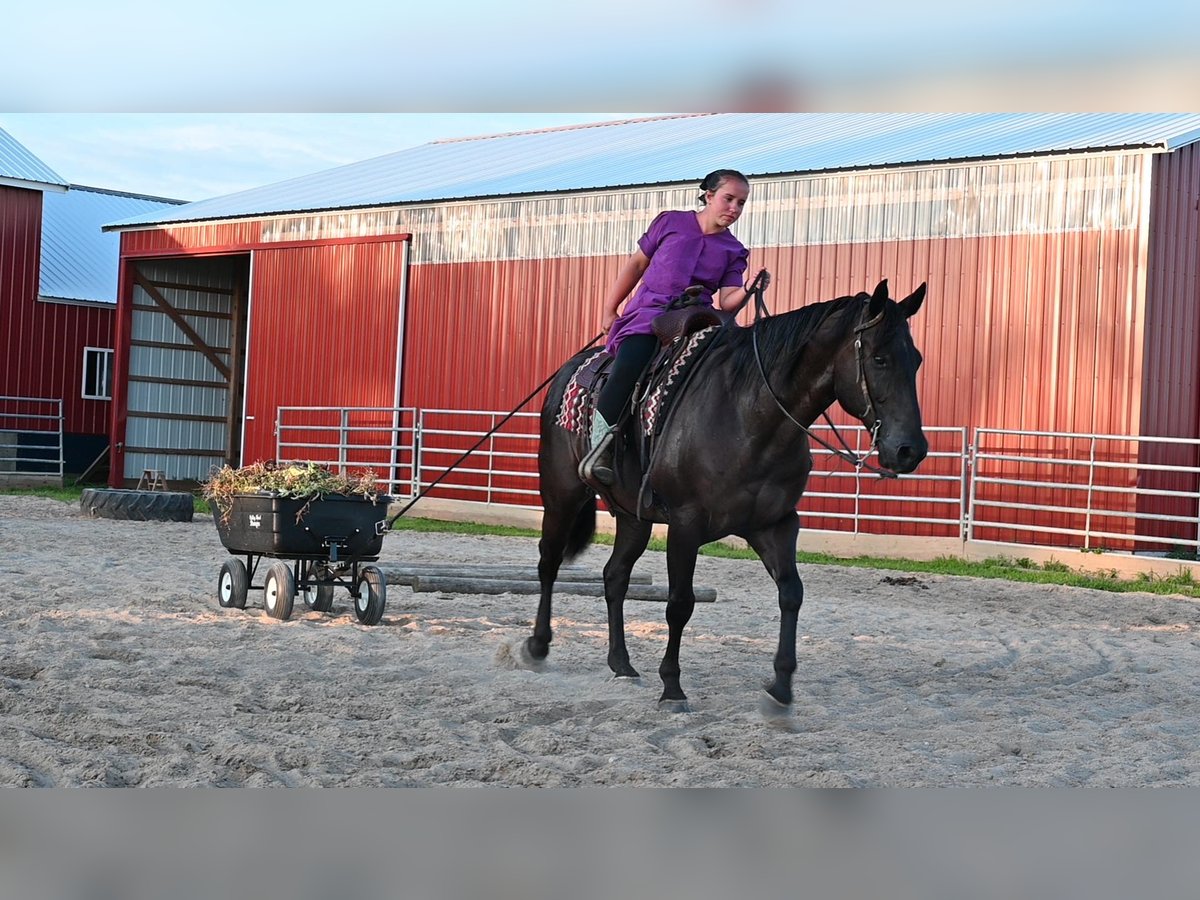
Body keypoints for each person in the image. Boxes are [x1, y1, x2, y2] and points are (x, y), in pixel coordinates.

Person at [579, 168, 768, 486]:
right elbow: (636, 264)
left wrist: (749, 287)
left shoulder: (734, 250)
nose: (734, 208)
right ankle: (600, 450)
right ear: (709, 196)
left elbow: (727, 302)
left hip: (697, 320)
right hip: (649, 316)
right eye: (728, 199)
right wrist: (609, 308)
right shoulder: (670, 222)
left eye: (741, 203)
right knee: (629, 365)